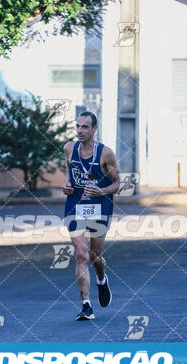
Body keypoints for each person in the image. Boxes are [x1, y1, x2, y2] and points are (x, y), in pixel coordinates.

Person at [62, 111, 120, 321]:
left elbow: (117, 183)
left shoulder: (106, 153)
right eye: (77, 126)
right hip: (75, 205)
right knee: (81, 254)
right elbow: (69, 170)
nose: (80, 130)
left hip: (100, 206)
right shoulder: (69, 148)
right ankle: (86, 305)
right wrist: (67, 185)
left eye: (85, 127)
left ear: (94, 129)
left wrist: (102, 191)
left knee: (95, 257)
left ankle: (102, 279)